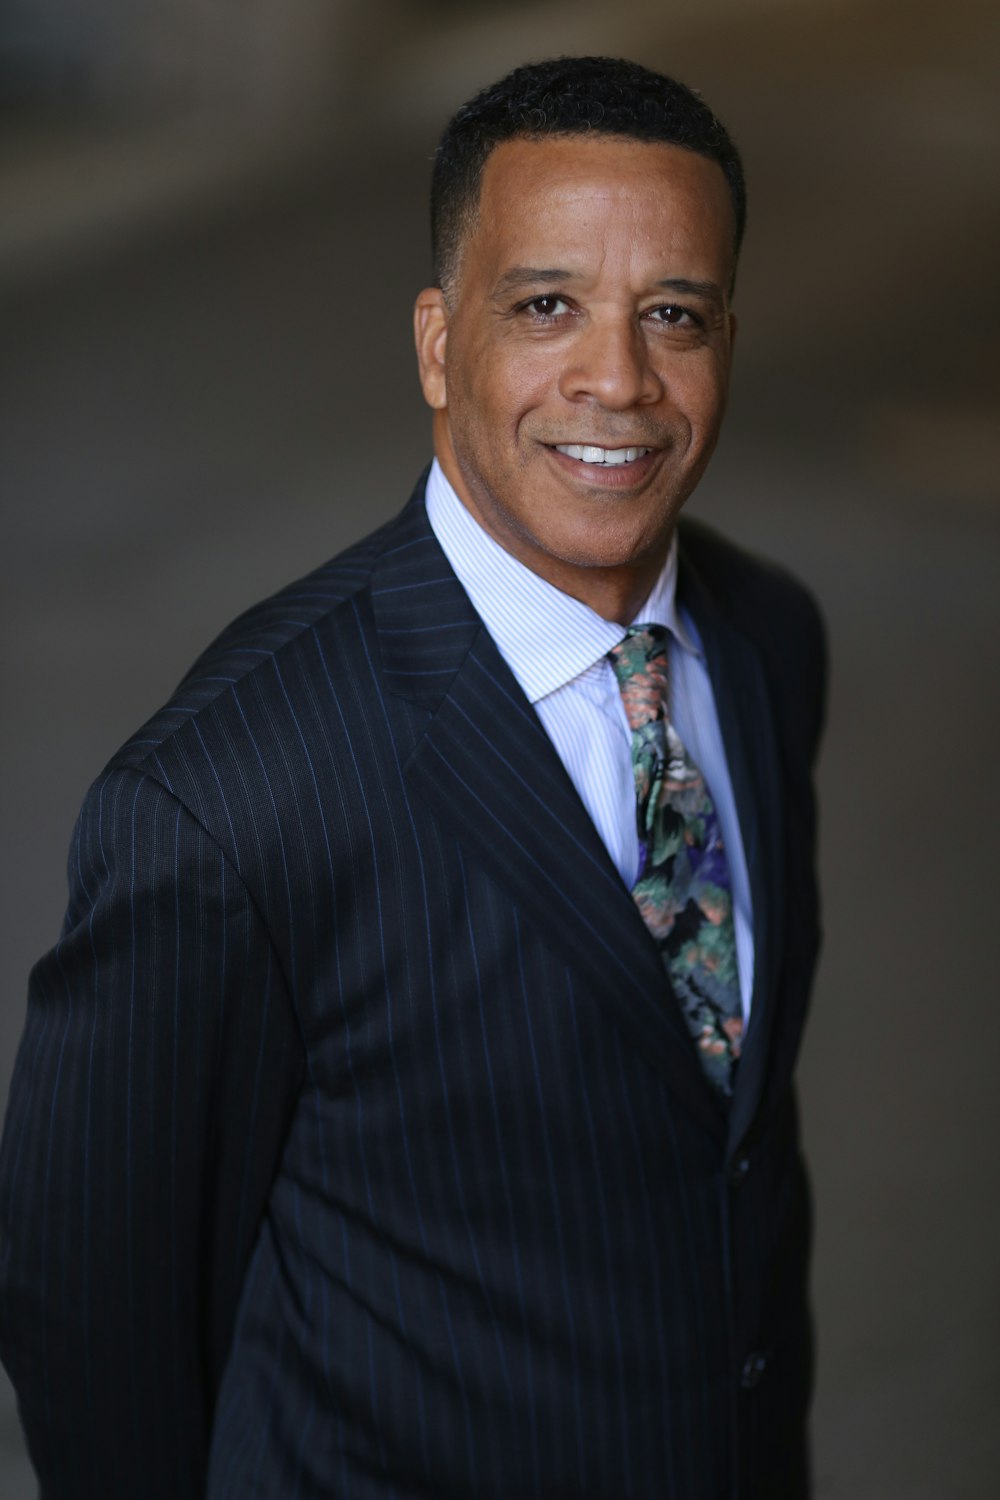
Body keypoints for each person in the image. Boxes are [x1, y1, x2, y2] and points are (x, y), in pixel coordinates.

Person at [0, 56, 826, 1499]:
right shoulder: (226, 795)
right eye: (547, 305)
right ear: (441, 345)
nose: (618, 379)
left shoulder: (765, 645)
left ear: (728, 344)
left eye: (673, 317)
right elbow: (93, 1329)